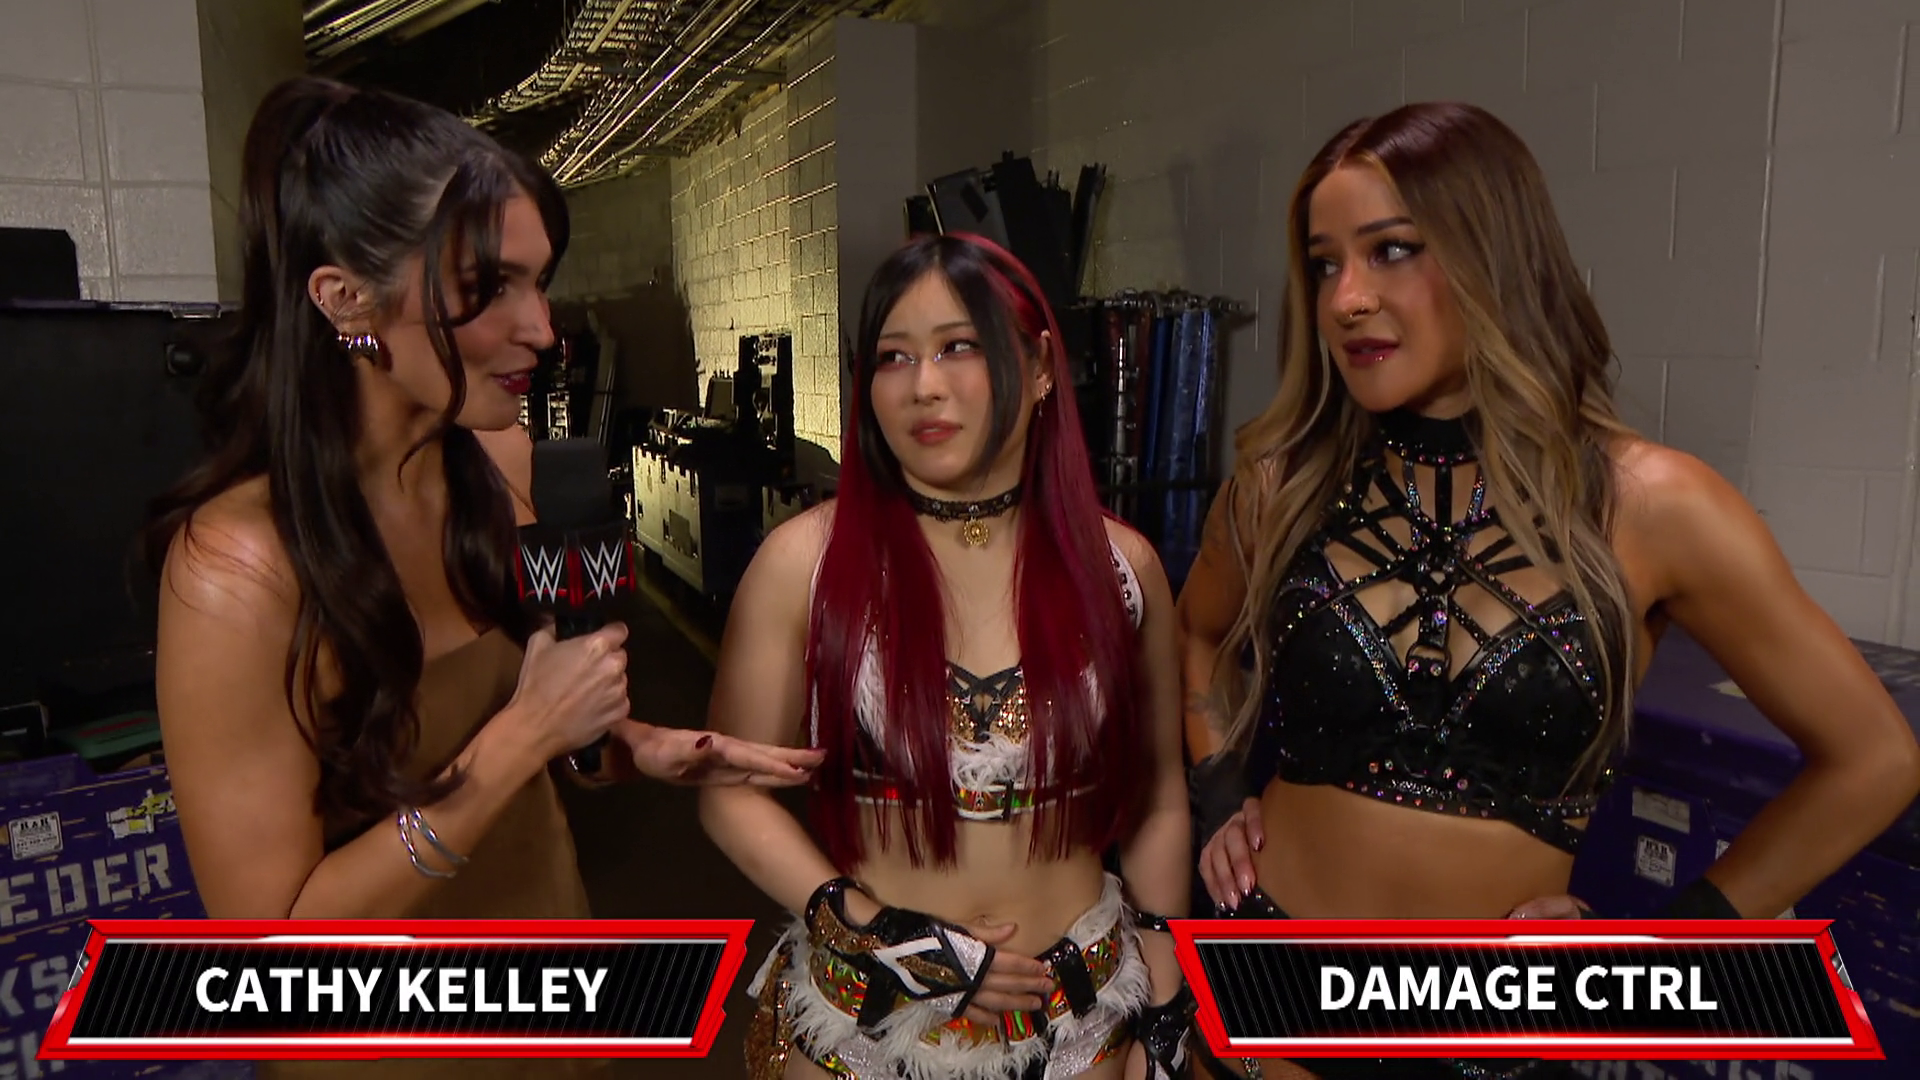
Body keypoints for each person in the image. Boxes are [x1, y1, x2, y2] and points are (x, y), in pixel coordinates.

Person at [1180, 102, 1920, 1080]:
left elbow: (1875, 759)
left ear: (1494, 255)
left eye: (1391, 250)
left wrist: (1651, 960)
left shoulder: (1651, 505)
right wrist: (1221, 793)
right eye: (1325, 265)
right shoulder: (1283, 484)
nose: (1347, 298)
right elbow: (1196, 636)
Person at [143, 76, 818, 1075]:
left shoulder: (496, 468)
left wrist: (629, 745)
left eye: (539, 282)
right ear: (346, 299)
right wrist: (523, 738)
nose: (542, 328)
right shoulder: (235, 570)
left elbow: (534, 715)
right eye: (490, 287)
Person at [699, 232, 1196, 1080]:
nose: (924, 385)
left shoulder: (1121, 571)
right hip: (869, 1030)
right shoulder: (803, 565)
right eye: (894, 357)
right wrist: (887, 937)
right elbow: (729, 792)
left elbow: (1157, 797)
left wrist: (1166, 978)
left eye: (959, 347)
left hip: (1084, 1026)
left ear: (1041, 368)